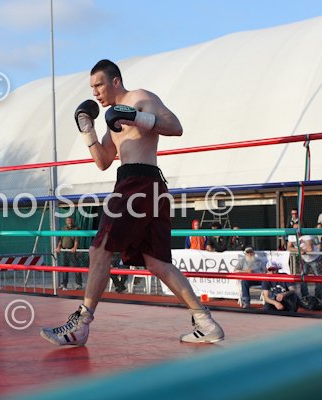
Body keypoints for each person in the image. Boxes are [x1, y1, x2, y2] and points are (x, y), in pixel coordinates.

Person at [40, 59, 224, 346]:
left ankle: (81, 325)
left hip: (138, 183)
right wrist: (87, 131)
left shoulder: (141, 98)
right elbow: (103, 161)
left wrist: (138, 117)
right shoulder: (112, 119)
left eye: (99, 85)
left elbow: (175, 127)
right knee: (157, 262)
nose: (95, 93)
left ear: (115, 81)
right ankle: (205, 322)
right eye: (92, 88)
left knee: (100, 249)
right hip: (143, 185)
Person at [56, 217, 83, 290]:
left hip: (73, 251)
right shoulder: (63, 228)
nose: (69, 222)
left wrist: (75, 248)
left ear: (73, 221)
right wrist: (58, 247)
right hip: (65, 250)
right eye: (68, 220)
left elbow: (77, 239)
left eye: (70, 220)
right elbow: (60, 239)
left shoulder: (76, 229)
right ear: (66, 221)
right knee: (65, 267)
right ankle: (64, 284)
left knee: (76, 267)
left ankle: (79, 284)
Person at [298, 233, 321, 298]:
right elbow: (289, 247)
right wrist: (300, 250)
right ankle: (305, 296)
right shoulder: (292, 236)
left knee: (318, 277)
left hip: (315, 258)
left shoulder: (308, 235)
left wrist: (301, 250)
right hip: (304, 259)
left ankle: (318, 296)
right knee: (303, 277)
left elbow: (310, 249)